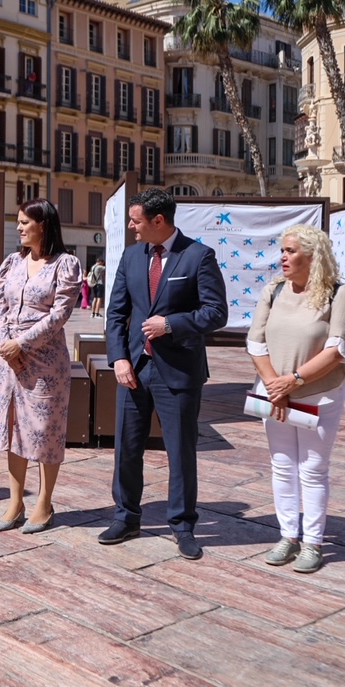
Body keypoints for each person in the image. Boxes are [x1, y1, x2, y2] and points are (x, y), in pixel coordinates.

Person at [101, 188, 227, 559]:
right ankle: (126, 517)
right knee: (126, 449)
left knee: (180, 453)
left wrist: (171, 324)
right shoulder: (130, 256)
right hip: (134, 370)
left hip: (178, 372)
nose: (130, 226)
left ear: (159, 221)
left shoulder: (198, 256)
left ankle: (183, 525)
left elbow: (216, 313)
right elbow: (115, 314)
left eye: (136, 220)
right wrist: (118, 359)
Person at [248, 225, 345, 574]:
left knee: (312, 469)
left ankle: (312, 543)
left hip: (318, 395)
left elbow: (338, 349)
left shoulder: (338, 293)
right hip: (274, 394)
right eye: (282, 250)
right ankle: (287, 536)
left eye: (291, 251)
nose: (283, 256)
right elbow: (256, 342)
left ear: (313, 255)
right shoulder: (274, 290)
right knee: (281, 465)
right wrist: (274, 386)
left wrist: (293, 381)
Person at [0, 199, 83, 534]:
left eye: (24, 222)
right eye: (18, 222)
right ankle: (16, 501)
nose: (19, 227)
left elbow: (60, 314)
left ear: (43, 224)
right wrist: (6, 342)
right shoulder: (12, 262)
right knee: (13, 428)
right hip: (9, 360)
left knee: (45, 430)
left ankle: (44, 503)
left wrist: (23, 343)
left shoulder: (65, 264)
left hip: (45, 361)